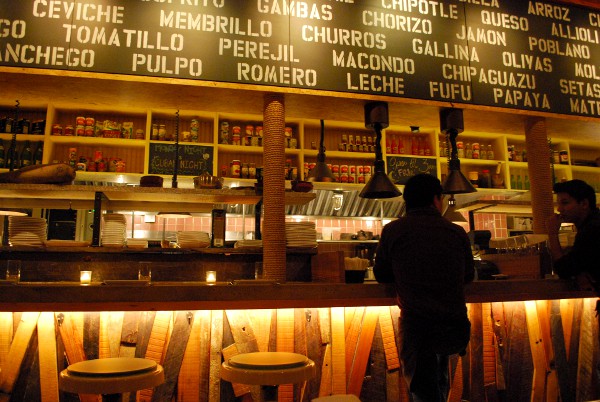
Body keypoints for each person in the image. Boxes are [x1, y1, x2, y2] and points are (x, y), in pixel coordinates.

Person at [374, 173, 474, 402]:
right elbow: (468, 275)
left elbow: (381, 275)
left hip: (418, 330)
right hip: (454, 329)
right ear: (436, 199)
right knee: (438, 383)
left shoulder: (393, 230)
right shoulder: (456, 232)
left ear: (407, 202)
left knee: (424, 391)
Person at [545, 179, 600, 291]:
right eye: (558, 204)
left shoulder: (591, 229)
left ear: (584, 204)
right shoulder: (592, 224)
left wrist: (552, 233)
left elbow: (564, 269)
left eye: (565, 203)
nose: (559, 209)